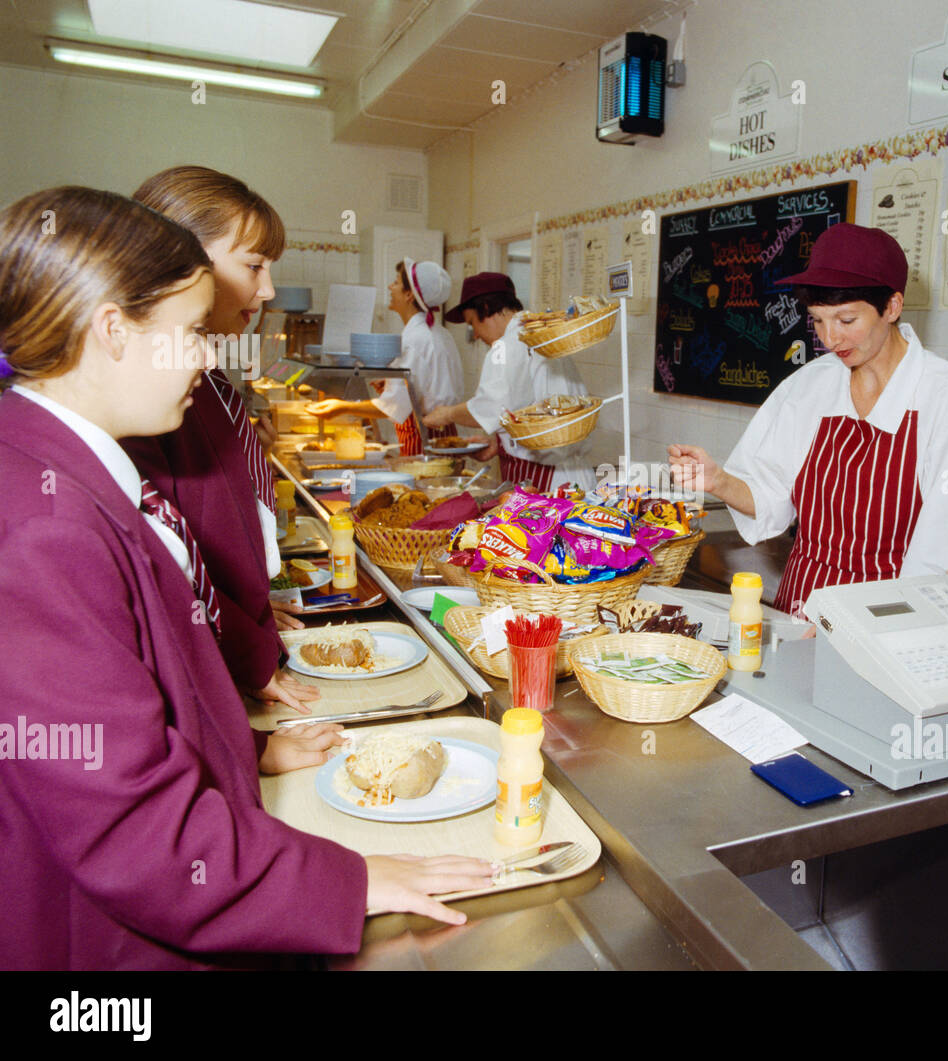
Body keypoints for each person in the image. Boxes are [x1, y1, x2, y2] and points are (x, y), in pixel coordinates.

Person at [0, 187, 494, 970]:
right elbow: (135, 830)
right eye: (191, 332)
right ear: (111, 331)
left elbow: (146, 702)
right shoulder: (41, 528)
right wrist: (346, 881)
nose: (208, 353)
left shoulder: (70, 471)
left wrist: (244, 755)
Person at [669, 224, 948, 617]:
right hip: (803, 606)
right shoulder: (810, 386)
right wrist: (719, 481)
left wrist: (866, 630)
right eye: (818, 321)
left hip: (892, 616)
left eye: (846, 320)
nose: (830, 338)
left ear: (892, 306)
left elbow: (947, 548)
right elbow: (772, 497)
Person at [124, 165, 316, 715]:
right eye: (253, 265)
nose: (269, 288)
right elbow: (174, 555)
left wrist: (249, 612)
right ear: (178, 257)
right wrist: (241, 640)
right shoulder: (154, 393)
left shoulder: (201, 370)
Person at [422, 272, 595, 492]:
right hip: (568, 474)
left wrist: (446, 414)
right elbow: (528, 404)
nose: (474, 334)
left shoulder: (508, 345)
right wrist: (501, 443)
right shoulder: (537, 333)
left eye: (472, 323)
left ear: (485, 308)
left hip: (545, 479)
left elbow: (491, 407)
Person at [307, 259, 464, 456]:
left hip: (424, 439)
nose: (390, 287)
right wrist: (391, 382)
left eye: (396, 282)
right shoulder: (439, 333)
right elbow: (426, 385)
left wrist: (341, 407)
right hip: (444, 435)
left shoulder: (414, 338)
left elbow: (393, 405)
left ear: (409, 294)